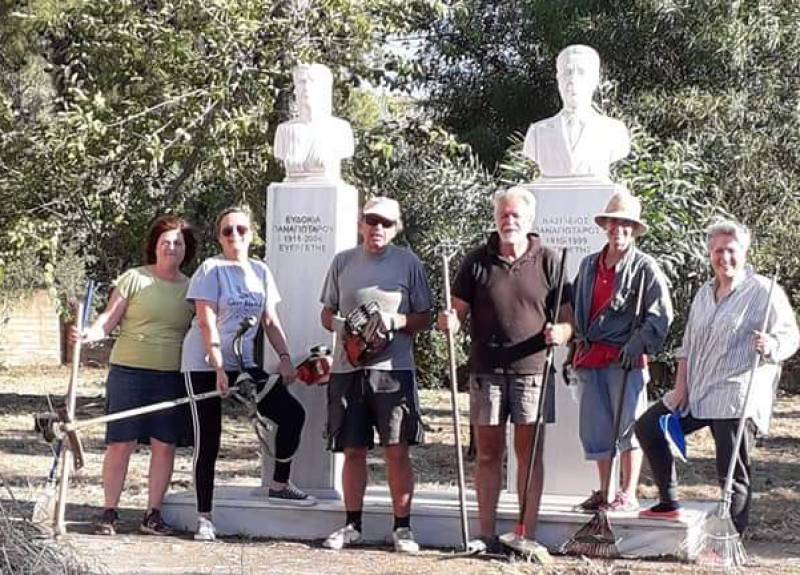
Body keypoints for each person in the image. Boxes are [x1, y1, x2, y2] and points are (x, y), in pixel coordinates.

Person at [635, 219, 799, 533]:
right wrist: (680, 388)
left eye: (731, 250)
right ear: (710, 253)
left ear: (745, 252)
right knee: (648, 427)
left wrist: (772, 344)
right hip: (697, 392)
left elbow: (791, 336)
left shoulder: (765, 292)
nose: (724, 257)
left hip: (736, 396)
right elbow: (688, 345)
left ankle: (731, 538)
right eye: (718, 250)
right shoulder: (703, 293)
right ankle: (668, 502)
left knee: (731, 475)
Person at [437, 186, 574, 554]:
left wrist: (560, 333)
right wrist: (448, 322)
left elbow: (567, 321)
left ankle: (524, 534)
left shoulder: (548, 260)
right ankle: (485, 534)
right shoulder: (476, 261)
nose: (508, 221)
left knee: (529, 458)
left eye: (515, 215)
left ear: (529, 220)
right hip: (486, 371)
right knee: (487, 454)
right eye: (503, 215)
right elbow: (457, 312)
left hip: (533, 372)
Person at [181, 206, 311, 542]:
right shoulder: (211, 269)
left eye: (241, 229)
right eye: (227, 231)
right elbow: (206, 319)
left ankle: (280, 484)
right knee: (208, 440)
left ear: (252, 233)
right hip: (203, 361)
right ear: (219, 237)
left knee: (292, 414)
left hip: (242, 362)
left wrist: (284, 357)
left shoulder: (260, 271)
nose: (235, 236)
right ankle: (204, 517)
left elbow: (269, 320)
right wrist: (217, 365)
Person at [319, 196, 433, 553]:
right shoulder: (343, 262)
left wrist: (395, 321)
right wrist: (341, 326)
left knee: (396, 449)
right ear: (360, 223)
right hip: (347, 369)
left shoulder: (407, 262)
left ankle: (403, 528)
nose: (377, 228)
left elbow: (425, 317)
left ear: (396, 227)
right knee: (352, 449)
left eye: (385, 222)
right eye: (371, 220)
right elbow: (326, 311)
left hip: (393, 371)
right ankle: (352, 524)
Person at [71, 215, 196, 536]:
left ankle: (152, 514)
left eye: (178, 242)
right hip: (129, 372)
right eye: (166, 241)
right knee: (120, 443)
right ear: (154, 246)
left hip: (170, 377)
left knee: (164, 445)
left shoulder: (192, 287)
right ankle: (109, 511)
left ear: (186, 249)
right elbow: (107, 320)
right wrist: (89, 334)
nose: (172, 247)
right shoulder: (134, 279)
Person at [570, 190, 673, 513]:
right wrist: (572, 344)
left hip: (625, 360)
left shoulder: (646, 267)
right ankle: (605, 491)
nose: (619, 230)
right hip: (590, 358)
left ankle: (627, 493)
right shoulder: (588, 265)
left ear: (634, 228)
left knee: (630, 426)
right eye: (614, 223)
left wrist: (637, 344)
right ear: (606, 226)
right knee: (597, 428)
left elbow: (662, 314)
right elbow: (576, 310)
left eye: (626, 224)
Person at [523, 44, 630, 180]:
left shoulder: (615, 131)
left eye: (581, 72)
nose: (572, 80)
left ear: (595, 80)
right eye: (567, 72)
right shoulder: (537, 133)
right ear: (558, 79)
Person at [274, 62, 355, 183]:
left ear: (324, 87)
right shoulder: (284, 130)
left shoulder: (340, 129)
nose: (306, 86)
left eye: (312, 81)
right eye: (301, 82)